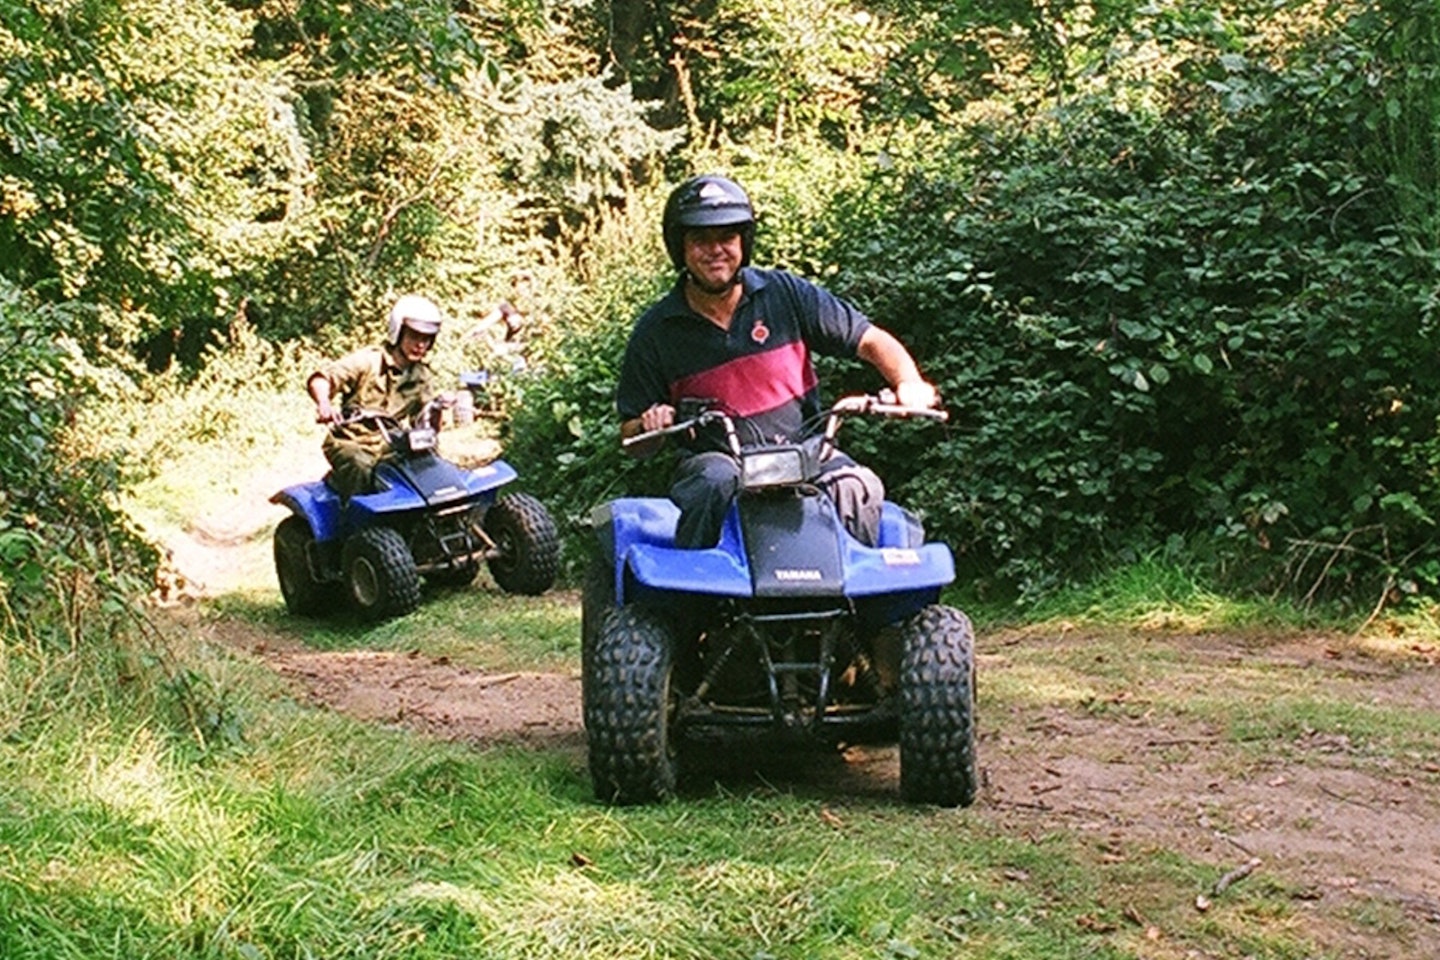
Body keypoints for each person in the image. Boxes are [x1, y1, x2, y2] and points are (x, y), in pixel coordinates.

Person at [615, 174, 940, 549]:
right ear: (680, 248)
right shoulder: (657, 331)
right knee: (711, 483)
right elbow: (630, 440)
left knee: (858, 484)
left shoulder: (784, 294)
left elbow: (871, 341)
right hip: (717, 459)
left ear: (744, 242)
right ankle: (695, 602)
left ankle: (854, 601)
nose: (715, 250)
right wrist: (649, 422)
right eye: (700, 240)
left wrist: (909, 383)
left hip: (804, 449)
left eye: (727, 238)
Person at [307, 293, 451, 498]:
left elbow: (427, 427)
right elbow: (322, 379)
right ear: (398, 332)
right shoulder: (369, 361)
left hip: (392, 443)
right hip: (352, 441)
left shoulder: (422, 376)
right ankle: (357, 526)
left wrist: (437, 409)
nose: (421, 345)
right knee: (360, 465)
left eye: (427, 339)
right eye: (415, 336)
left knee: (430, 464)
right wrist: (324, 403)